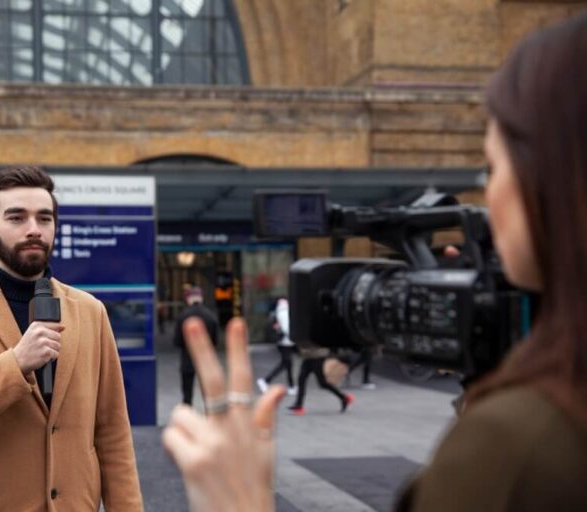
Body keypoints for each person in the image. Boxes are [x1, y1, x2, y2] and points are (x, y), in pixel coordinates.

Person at [162, 13, 587, 511]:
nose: (488, 194)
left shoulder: (516, 445)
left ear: (552, 179)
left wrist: (240, 500)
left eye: (492, 168)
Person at [0, 166, 143, 511]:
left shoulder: (90, 311)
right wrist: (14, 365)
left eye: (44, 218)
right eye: (17, 218)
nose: (34, 229)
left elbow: (112, 432)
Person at [173, 285, 218, 406]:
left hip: (187, 359)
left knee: (187, 396)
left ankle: (187, 415)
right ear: (201, 298)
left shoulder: (182, 316)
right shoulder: (210, 316)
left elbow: (177, 341)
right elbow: (214, 342)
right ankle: (210, 416)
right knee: (208, 396)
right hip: (206, 360)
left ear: (189, 299)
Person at [288, 346, 352, 416]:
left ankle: (344, 398)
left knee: (323, 383)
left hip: (318, 358)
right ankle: (299, 405)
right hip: (308, 358)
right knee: (302, 379)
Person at [257, 298, 297, 395]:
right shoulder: (284, 312)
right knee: (285, 364)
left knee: (288, 364)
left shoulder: (278, 312)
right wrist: (294, 337)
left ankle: (291, 386)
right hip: (286, 342)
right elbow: (287, 328)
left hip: (282, 342)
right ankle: (266, 380)